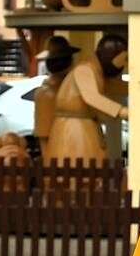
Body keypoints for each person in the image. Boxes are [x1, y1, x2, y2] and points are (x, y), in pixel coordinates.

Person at [42, 34, 128, 164]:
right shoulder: (85, 69)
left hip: (83, 126)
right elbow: (92, 97)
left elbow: (112, 86)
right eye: (123, 59)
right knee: (78, 168)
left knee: (89, 167)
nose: (123, 64)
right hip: (74, 129)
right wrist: (122, 111)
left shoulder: (95, 71)